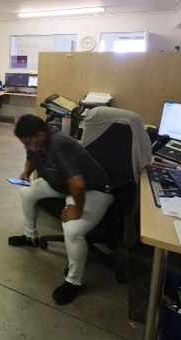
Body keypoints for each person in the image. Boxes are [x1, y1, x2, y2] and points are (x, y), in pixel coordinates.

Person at [8, 115, 114, 305]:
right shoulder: (36, 143)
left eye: (28, 142)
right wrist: (26, 173)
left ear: (40, 134)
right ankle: (30, 237)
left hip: (93, 190)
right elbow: (31, 157)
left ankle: (73, 282)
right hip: (62, 186)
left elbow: (78, 185)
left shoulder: (59, 145)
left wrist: (77, 210)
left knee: (72, 230)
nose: (26, 146)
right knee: (27, 193)